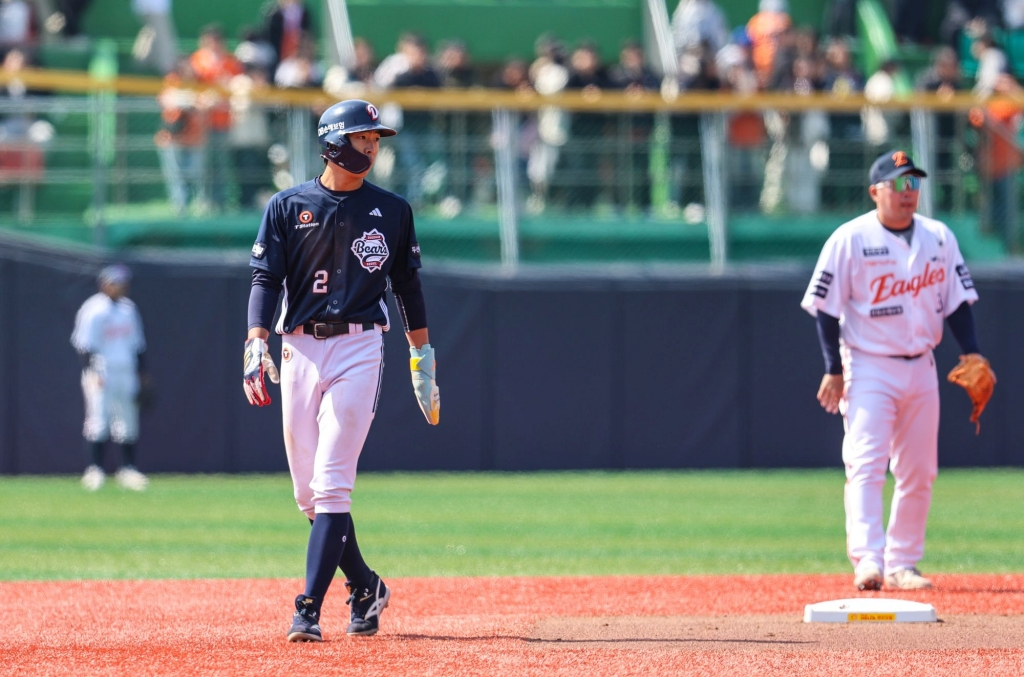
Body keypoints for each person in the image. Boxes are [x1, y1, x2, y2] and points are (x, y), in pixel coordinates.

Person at [243, 99, 440, 641]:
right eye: (362, 137)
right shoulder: (288, 205)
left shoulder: (392, 210)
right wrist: (256, 338)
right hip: (299, 348)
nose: (372, 145)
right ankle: (367, 585)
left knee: (332, 487)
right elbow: (265, 279)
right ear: (333, 142)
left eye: (376, 138)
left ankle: (307, 607)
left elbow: (408, 287)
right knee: (307, 495)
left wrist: (421, 356)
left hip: (359, 347)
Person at [801, 151, 993, 591]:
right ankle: (869, 559)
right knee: (866, 463)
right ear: (875, 191)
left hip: (923, 366)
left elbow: (958, 301)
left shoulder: (939, 237)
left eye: (914, 184)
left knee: (920, 469)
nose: (909, 193)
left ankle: (903, 561)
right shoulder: (849, 238)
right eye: (898, 184)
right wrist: (833, 368)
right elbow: (826, 311)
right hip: (868, 365)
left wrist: (973, 352)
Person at [71, 264, 150, 492]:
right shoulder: (93, 309)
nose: (122, 287)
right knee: (98, 418)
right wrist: (91, 371)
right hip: (101, 369)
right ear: (105, 284)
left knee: (128, 420)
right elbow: (84, 345)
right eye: (117, 282)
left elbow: (138, 345)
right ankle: (95, 470)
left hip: (126, 368)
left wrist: (143, 374)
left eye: (124, 283)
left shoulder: (128, 309)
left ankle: (128, 469)